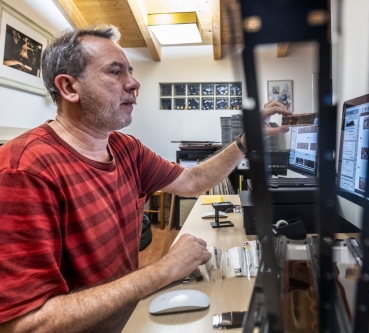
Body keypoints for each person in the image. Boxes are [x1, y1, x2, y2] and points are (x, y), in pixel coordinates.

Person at [0, 24, 292, 333]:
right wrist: (164, 269)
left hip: (130, 319)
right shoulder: (24, 170)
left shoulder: (126, 148)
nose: (134, 83)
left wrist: (247, 140)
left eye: (130, 71)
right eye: (116, 73)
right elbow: (26, 323)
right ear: (70, 88)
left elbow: (193, 181)